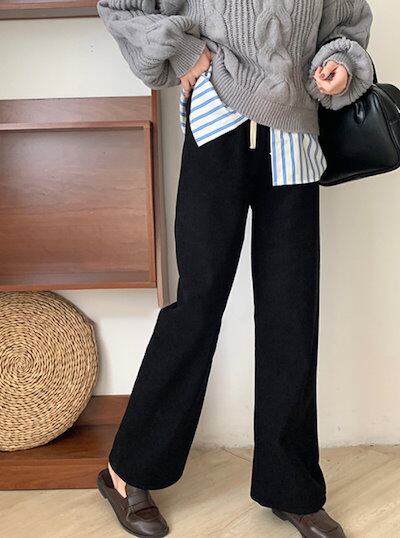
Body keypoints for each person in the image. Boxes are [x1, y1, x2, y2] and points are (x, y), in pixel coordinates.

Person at [96, 1, 374, 536]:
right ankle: (127, 470)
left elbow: (345, 25)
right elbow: (121, 6)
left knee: (291, 312)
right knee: (197, 304)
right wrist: (183, 50)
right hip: (218, 118)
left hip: (294, 133)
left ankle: (291, 486)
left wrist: (339, 65)